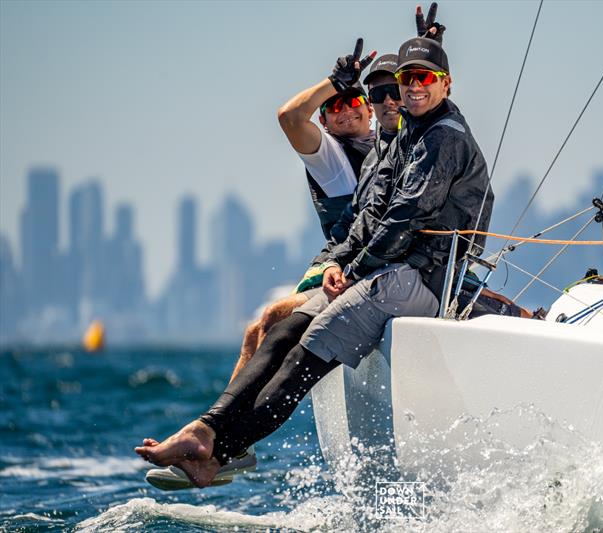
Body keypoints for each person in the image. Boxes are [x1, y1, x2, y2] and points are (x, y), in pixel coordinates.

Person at [135, 32, 493, 488]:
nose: (408, 89)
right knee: (285, 328)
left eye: (422, 78)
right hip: (384, 268)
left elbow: (404, 219)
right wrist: (339, 263)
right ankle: (206, 428)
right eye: (403, 81)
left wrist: (354, 272)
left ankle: (215, 454)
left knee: (308, 349)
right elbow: (370, 213)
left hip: (423, 275)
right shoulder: (405, 133)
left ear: (446, 84)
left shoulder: (443, 139)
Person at [228, 52, 403, 383]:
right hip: (351, 269)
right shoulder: (331, 155)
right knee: (263, 324)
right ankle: (217, 426)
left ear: (369, 109)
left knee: (266, 321)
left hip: (387, 265)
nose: (346, 110)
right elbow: (290, 117)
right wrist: (334, 83)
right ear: (324, 122)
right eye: (334, 106)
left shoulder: (393, 142)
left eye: (353, 101)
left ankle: (216, 429)